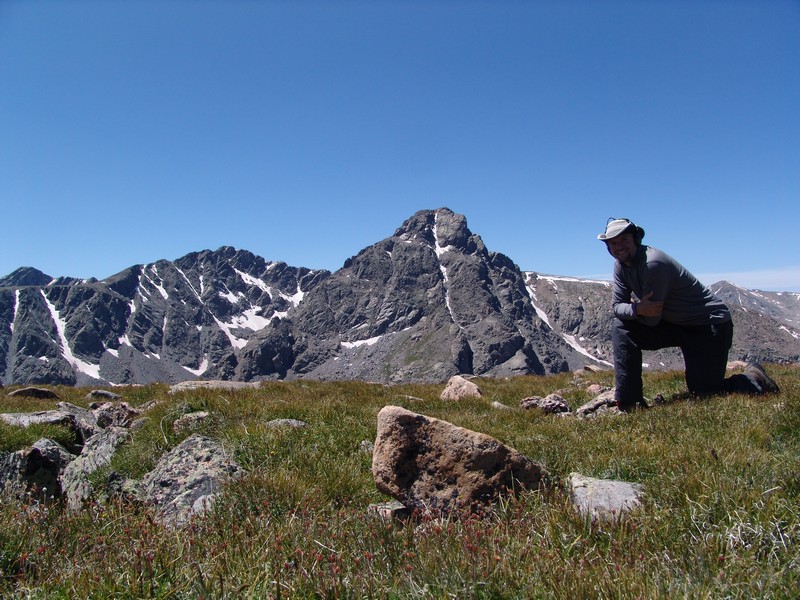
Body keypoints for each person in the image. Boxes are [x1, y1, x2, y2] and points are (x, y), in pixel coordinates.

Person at [597, 218, 779, 411]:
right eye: (613, 243)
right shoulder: (620, 265)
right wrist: (637, 309)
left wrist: (637, 310)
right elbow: (617, 307)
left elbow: (652, 320)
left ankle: (753, 377)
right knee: (621, 327)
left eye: (623, 239)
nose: (618, 247)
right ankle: (629, 403)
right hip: (675, 323)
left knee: (706, 393)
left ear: (636, 239)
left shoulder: (653, 264)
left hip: (707, 326)